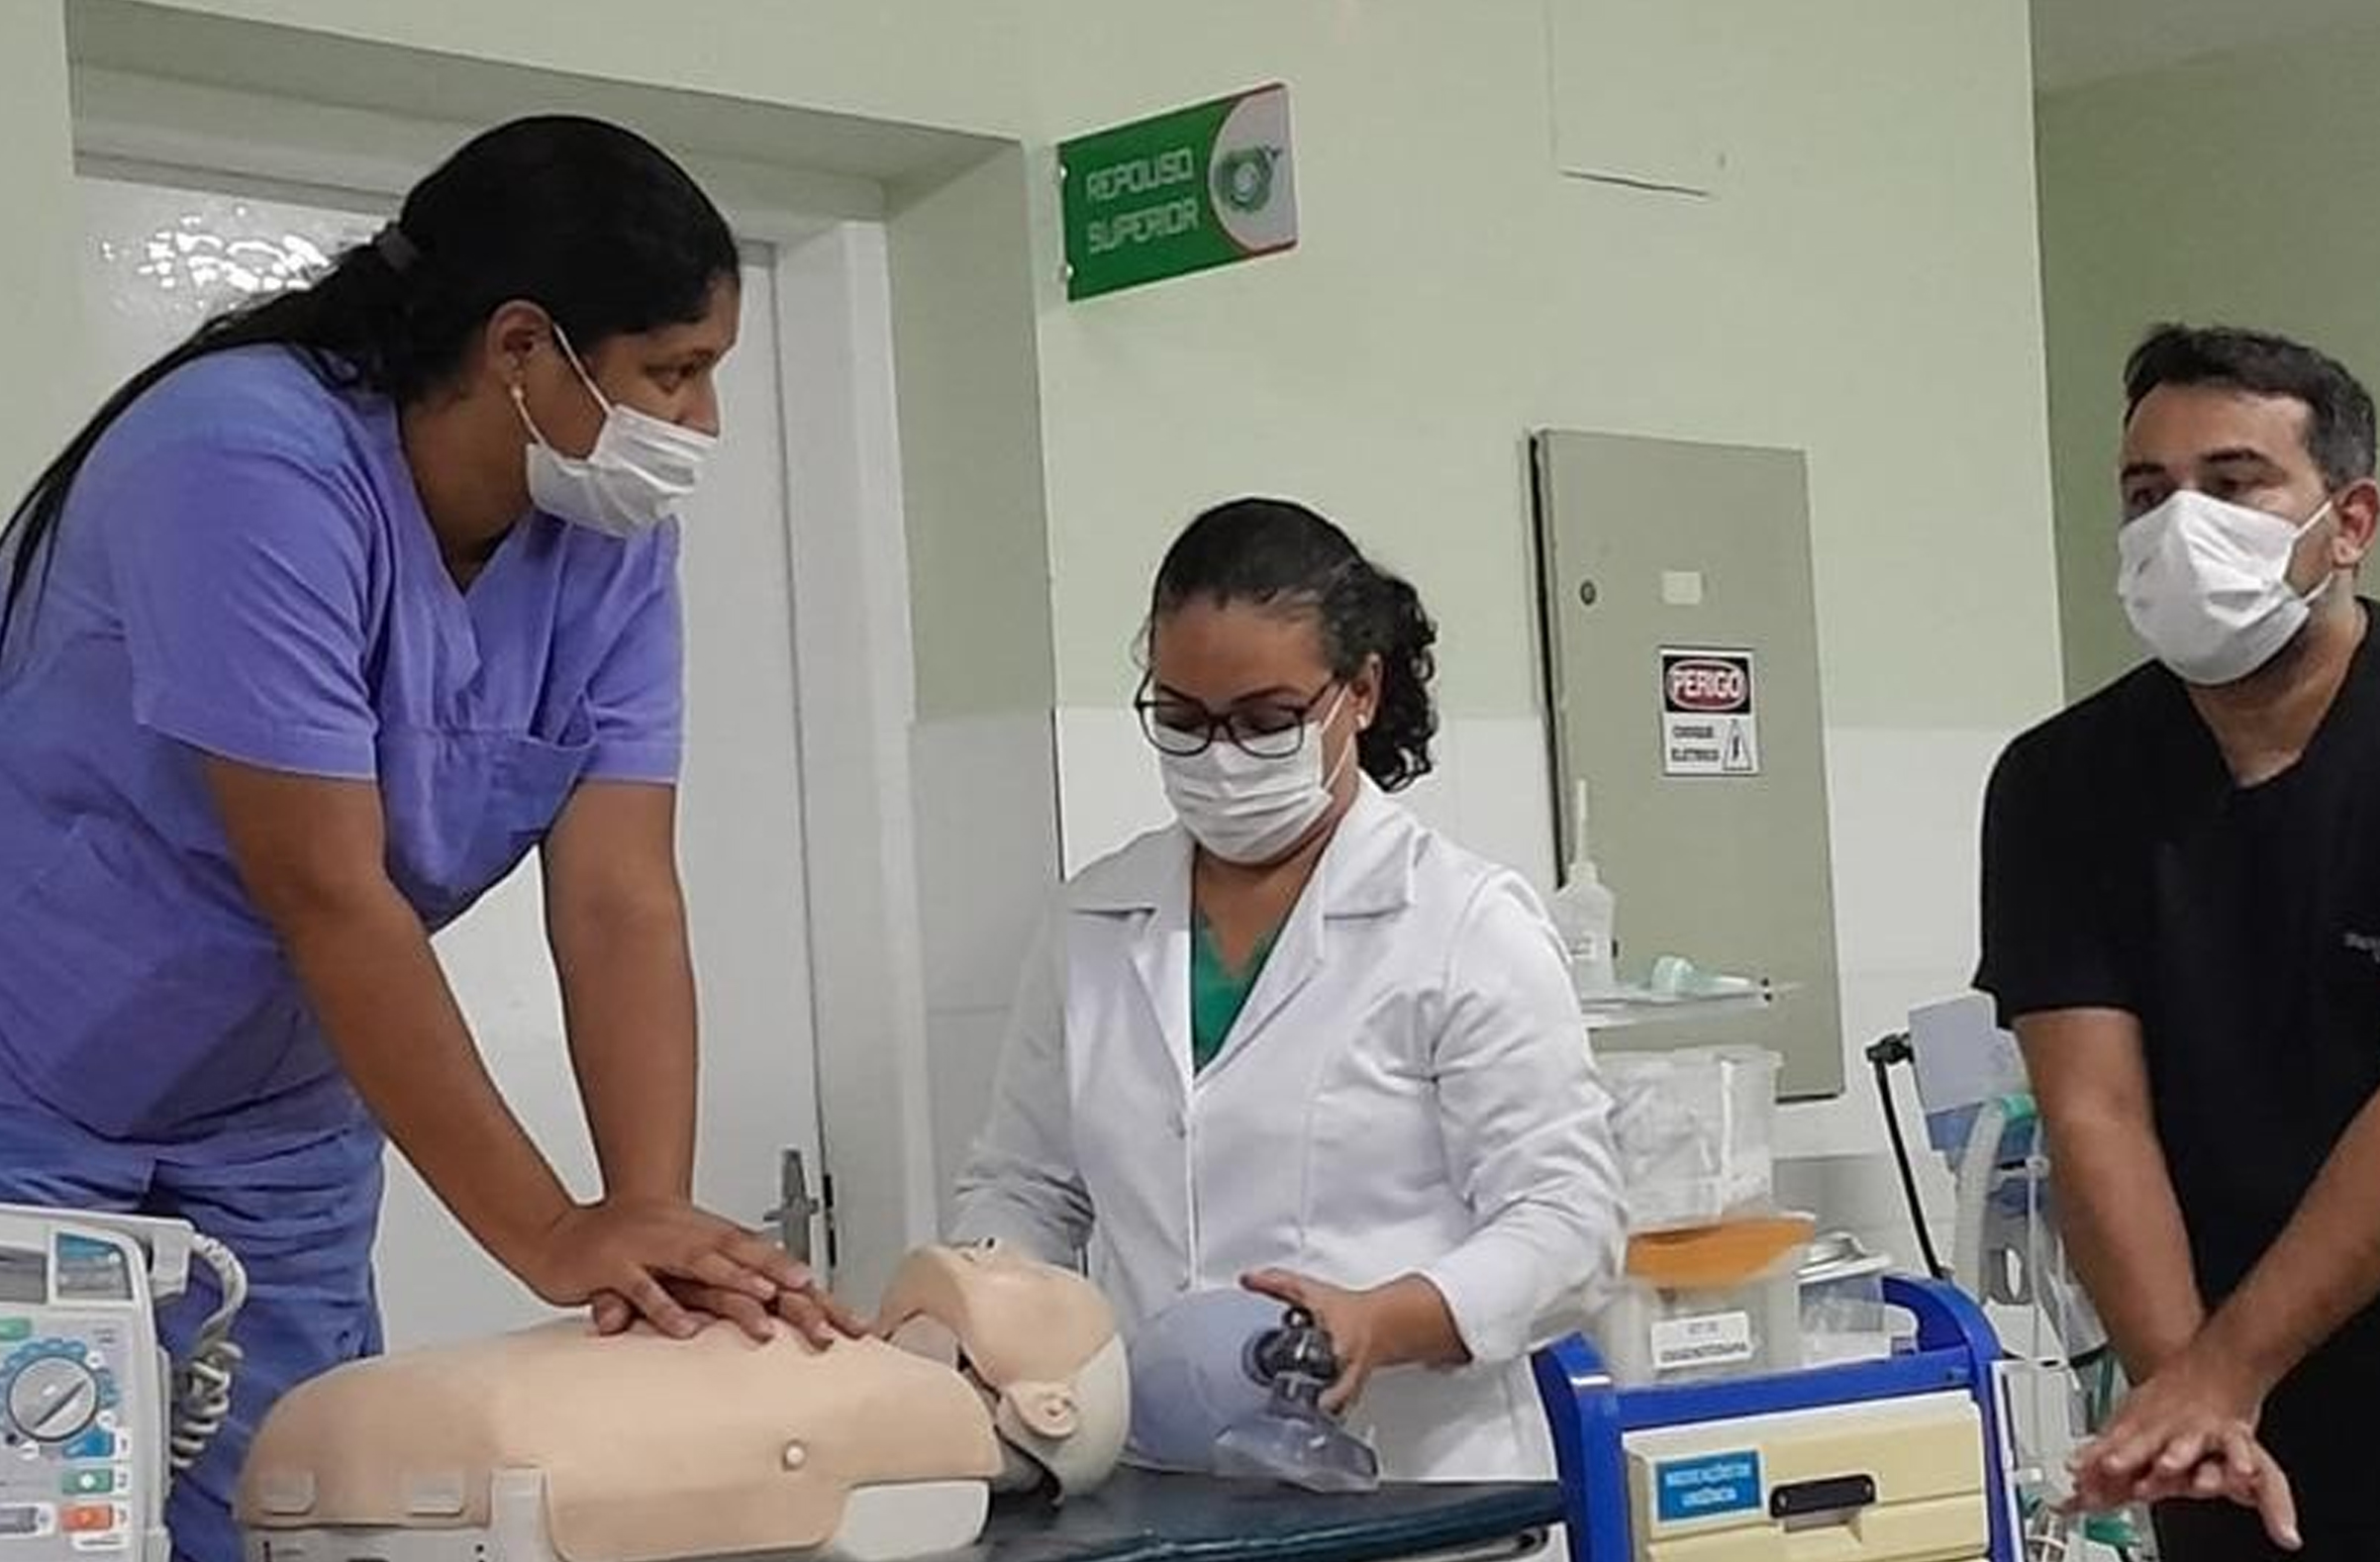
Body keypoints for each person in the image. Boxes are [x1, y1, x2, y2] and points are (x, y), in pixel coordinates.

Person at [0, 117, 850, 1562]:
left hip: (276, 1123)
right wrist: (548, 1231)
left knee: (306, 1508)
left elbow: (622, 899)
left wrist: (646, 1225)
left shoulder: (613, 541)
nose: (700, 426)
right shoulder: (243, 461)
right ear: (524, 343)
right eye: (675, 372)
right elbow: (328, 892)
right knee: (51, 1521)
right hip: (32, 1090)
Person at [953, 497, 1622, 1481]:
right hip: (1158, 1487)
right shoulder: (1094, 921)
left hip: (1414, 1487)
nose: (1219, 756)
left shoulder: (1462, 922)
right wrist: (980, 1308)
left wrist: (1378, 1323)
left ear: (1357, 690)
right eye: (1181, 719)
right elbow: (1027, 1185)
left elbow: (1569, 1223)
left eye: (1264, 721)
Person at [1977, 323, 2380, 1559]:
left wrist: (2221, 1373)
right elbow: (2093, 1114)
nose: (2180, 526)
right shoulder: (2060, 783)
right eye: (2144, 493)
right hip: (2226, 1413)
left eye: (2232, 485)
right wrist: (2187, 1412)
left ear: (2349, 520)